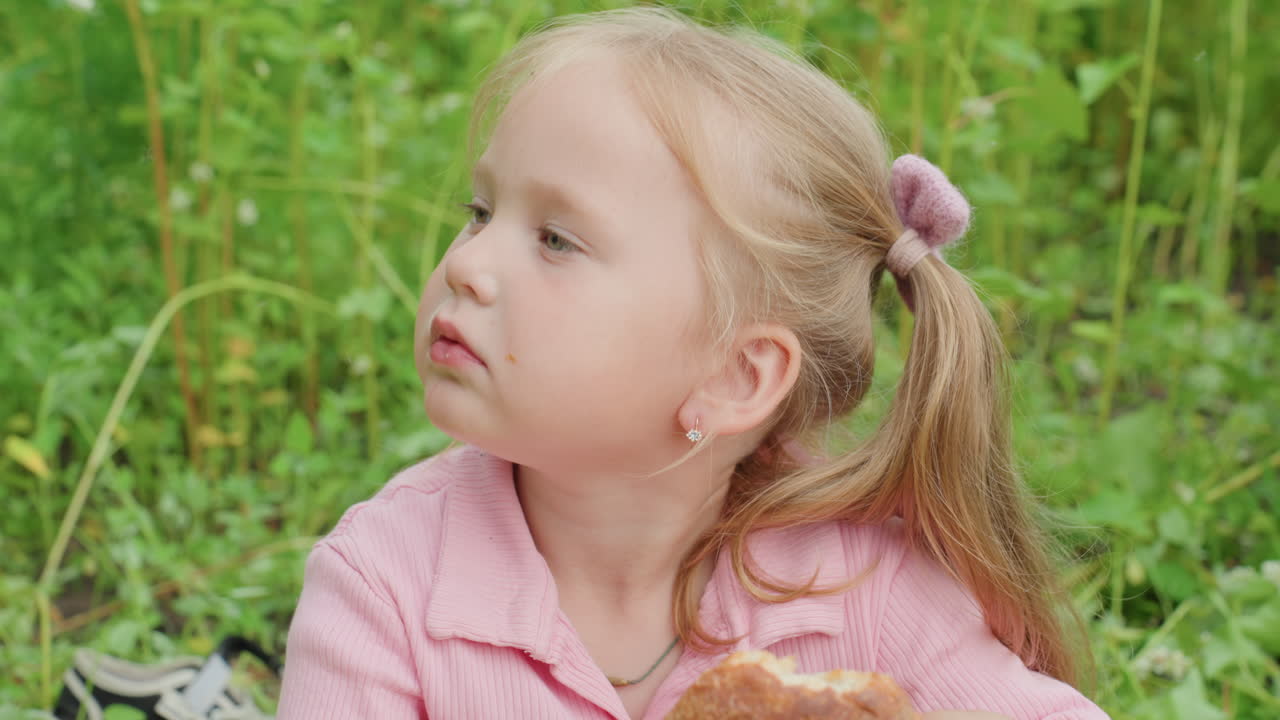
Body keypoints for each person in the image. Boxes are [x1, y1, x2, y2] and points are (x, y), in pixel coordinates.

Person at [277, 7, 1110, 720]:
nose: (468, 264)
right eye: (481, 210)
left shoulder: (864, 590)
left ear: (735, 376)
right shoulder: (386, 586)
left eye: (557, 240)